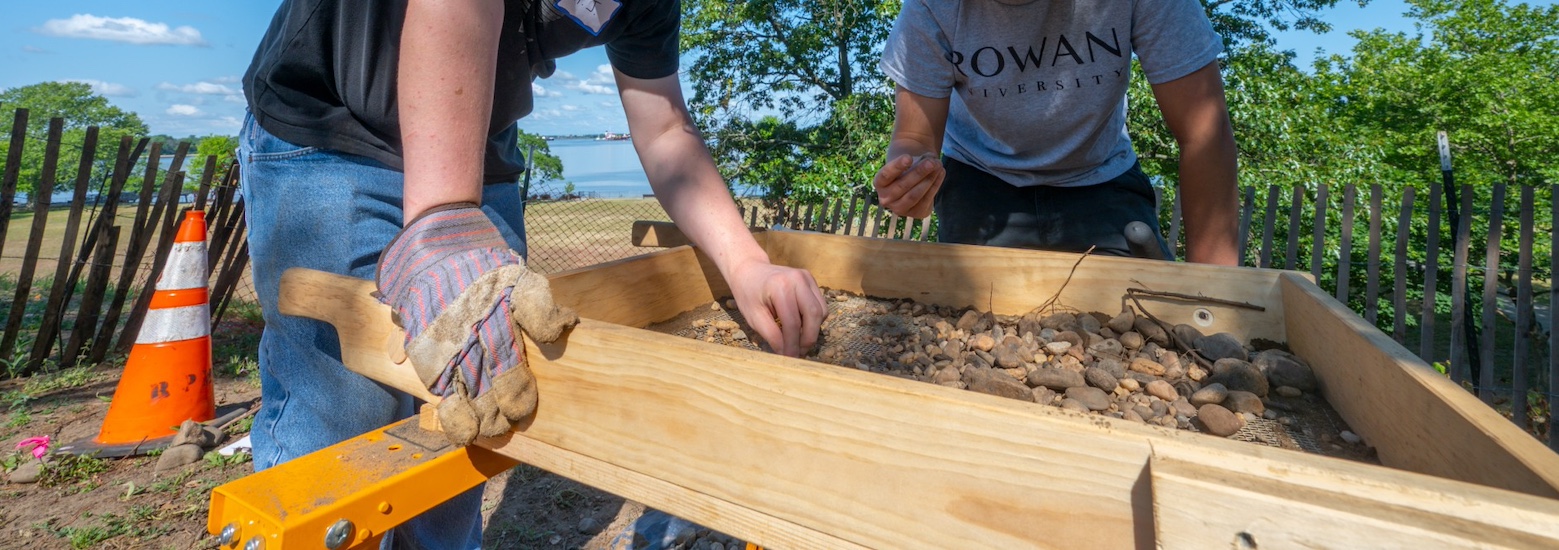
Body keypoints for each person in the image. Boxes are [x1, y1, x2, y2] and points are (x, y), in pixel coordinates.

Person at [239, 1, 827, 547]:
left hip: (475, 141)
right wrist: (445, 222)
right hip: (330, 125)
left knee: (478, 399)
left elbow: (666, 129)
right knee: (345, 412)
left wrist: (747, 264)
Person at [871, 0, 1240, 265]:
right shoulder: (929, 7)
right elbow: (915, 140)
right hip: (979, 181)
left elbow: (1204, 132)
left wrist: (1213, 287)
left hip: (1102, 178)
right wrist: (912, 180)